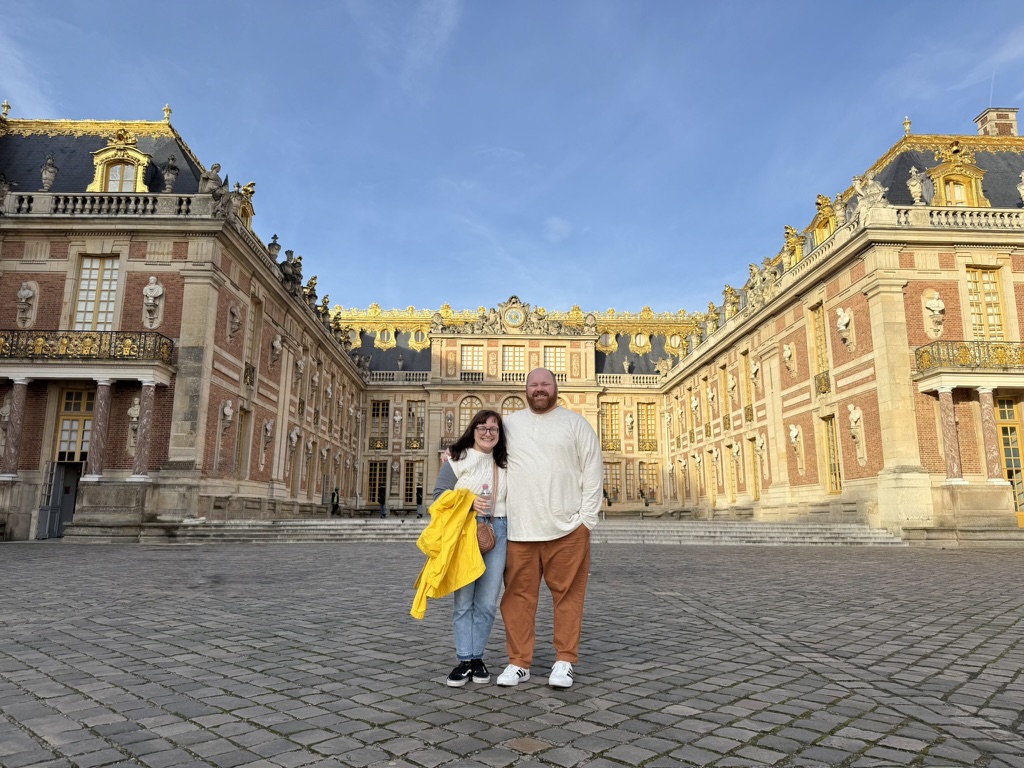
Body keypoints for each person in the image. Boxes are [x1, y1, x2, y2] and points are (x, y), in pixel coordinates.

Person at [497, 368, 603, 689]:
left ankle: (565, 660)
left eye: (545, 384)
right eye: (534, 385)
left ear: (556, 387)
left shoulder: (576, 423)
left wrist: (587, 521)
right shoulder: (509, 424)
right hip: (519, 530)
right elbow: (485, 457)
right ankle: (519, 662)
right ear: (525, 390)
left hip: (568, 529)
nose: (539, 389)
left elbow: (593, 469)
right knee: (516, 599)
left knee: (569, 598)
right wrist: (455, 458)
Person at [432, 409, 508, 687]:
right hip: (465, 529)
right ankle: (465, 659)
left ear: (500, 435)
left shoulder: (506, 461)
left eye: (494, 429)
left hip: (498, 529)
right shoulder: (458, 458)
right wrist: (468, 501)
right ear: (473, 430)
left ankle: (477, 657)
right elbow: (439, 494)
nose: (488, 433)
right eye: (482, 427)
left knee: (487, 602)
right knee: (464, 600)